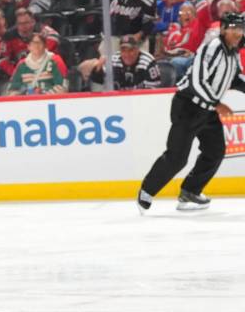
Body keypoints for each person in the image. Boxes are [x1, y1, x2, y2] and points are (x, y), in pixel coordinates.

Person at [139, 13, 245, 213]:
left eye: (241, 29)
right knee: (177, 157)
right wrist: (216, 103)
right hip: (188, 107)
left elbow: (235, 78)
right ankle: (147, 190)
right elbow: (197, 82)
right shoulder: (211, 48)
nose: (238, 33)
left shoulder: (233, 52)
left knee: (215, 151)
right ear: (223, 29)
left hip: (208, 109)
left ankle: (190, 191)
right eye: (234, 28)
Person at [89, 35, 163, 90]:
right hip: (118, 101)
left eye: (131, 50)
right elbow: (99, 80)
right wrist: (98, 68)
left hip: (141, 101)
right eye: (123, 50)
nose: (127, 54)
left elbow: (153, 91)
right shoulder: (114, 60)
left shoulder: (148, 62)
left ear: (137, 49)